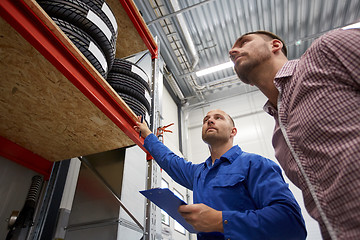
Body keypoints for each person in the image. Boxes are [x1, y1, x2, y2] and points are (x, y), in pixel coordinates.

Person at [229, 28, 360, 240]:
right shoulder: (279, 138)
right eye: (232, 51)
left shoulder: (326, 52)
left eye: (244, 42)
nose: (233, 51)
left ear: (275, 45)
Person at [134, 109, 307, 240]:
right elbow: (169, 160)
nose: (210, 121)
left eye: (218, 118)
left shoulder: (255, 164)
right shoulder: (198, 173)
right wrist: (148, 134)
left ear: (233, 132)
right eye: (205, 120)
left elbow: (291, 222)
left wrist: (220, 220)